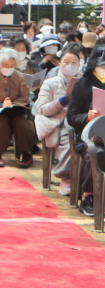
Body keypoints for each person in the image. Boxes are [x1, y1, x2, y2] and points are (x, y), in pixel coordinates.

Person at [35, 48, 83, 197]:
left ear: (80, 64)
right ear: (59, 64)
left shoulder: (86, 82)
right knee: (69, 141)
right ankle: (66, 177)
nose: (70, 65)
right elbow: (41, 109)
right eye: (66, 62)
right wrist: (61, 102)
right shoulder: (50, 83)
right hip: (59, 122)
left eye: (74, 62)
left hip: (83, 120)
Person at [66, 45, 105, 217]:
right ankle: (89, 195)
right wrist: (87, 117)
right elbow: (71, 117)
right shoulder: (82, 85)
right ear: (95, 65)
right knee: (95, 152)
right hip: (88, 136)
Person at [0, 48, 34, 168]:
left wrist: (13, 104)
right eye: (6, 65)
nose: (9, 68)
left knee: (22, 124)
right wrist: (1, 105)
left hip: (14, 111)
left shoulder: (19, 76)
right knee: (1, 124)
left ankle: (26, 153)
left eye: (12, 65)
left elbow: (25, 96)